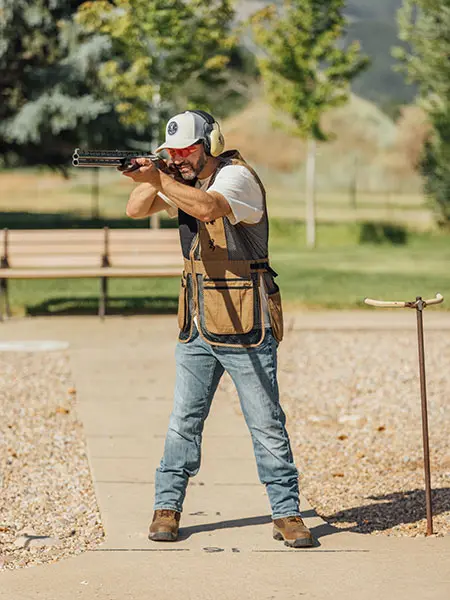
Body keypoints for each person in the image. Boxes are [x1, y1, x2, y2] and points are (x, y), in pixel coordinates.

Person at [123, 110, 313, 548]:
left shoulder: (236, 178)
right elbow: (135, 210)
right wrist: (152, 178)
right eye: (174, 151)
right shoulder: (181, 181)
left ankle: (286, 513)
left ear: (210, 144)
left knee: (266, 422)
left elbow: (208, 208)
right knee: (182, 422)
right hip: (197, 322)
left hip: (247, 321)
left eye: (188, 149)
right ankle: (166, 507)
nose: (181, 157)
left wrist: (160, 177)